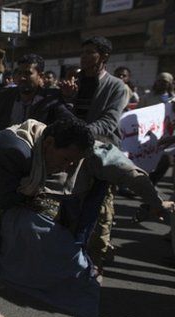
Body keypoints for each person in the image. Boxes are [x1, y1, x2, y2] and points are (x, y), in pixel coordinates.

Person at [0, 119, 174, 317]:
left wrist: (155, 202)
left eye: (73, 161)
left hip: (46, 222)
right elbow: (132, 175)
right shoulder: (38, 146)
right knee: (87, 288)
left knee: (7, 270)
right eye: (67, 159)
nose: (67, 166)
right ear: (51, 143)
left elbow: (133, 176)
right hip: (37, 223)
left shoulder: (68, 147)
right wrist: (157, 203)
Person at [60, 36, 128, 275]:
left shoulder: (117, 87)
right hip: (72, 156)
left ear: (104, 56)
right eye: (83, 52)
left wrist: (81, 133)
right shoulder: (76, 82)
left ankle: (94, 267)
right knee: (68, 209)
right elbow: (64, 113)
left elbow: (109, 122)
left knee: (99, 214)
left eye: (91, 52)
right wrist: (67, 98)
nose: (85, 57)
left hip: (99, 157)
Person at [0, 54, 74, 134]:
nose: (22, 77)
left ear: (40, 76)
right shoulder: (6, 96)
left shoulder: (50, 100)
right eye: (19, 73)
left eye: (27, 73)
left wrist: (69, 98)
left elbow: (69, 122)